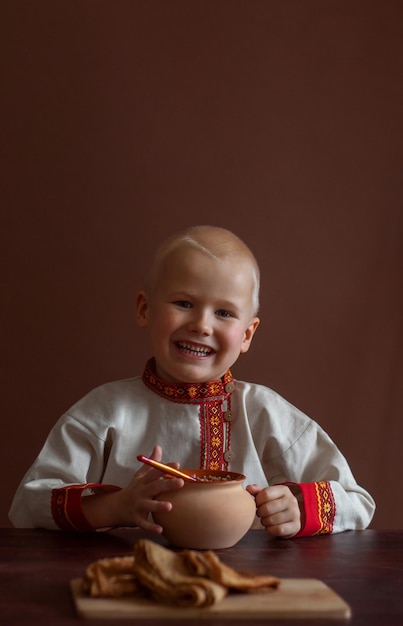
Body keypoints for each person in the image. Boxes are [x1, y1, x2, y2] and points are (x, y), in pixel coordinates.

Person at [9, 225, 375, 537]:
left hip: (244, 591)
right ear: (144, 309)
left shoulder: (265, 413)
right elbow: (28, 504)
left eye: (223, 312)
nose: (202, 325)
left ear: (247, 334)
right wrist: (113, 508)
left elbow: (357, 501)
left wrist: (298, 510)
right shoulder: (103, 412)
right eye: (184, 303)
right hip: (131, 587)